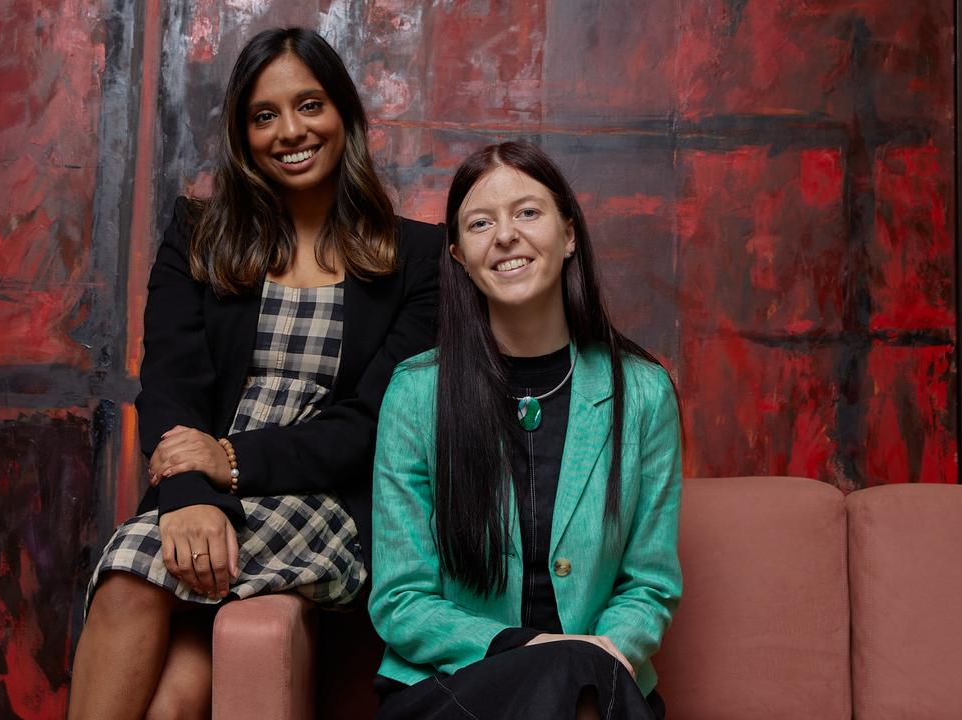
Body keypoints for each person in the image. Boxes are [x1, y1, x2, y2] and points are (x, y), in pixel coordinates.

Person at [68, 27, 442, 719]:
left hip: (325, 499)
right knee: (172, 704)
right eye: (264, 115)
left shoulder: (419, 258)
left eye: (310, 105)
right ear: (242, 134)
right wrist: (188, 492)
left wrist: (228, 459)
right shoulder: (197, 234)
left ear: (345, 116)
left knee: (128, 575)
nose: (290, 131)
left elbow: (372, 424)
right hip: (205, 490)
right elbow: (172, 386)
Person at [369, 141, 682, 719]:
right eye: (481, 223)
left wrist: (603, 651)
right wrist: (533, 651)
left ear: (568, 235)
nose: (506, 236)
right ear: (460, 256)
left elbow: (649, 583)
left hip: (599, 679)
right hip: (451, 690)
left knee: (581, 683)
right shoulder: (415, 394)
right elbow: (400, 600)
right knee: (572, 677)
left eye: (528, 212)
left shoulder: (642, 393)